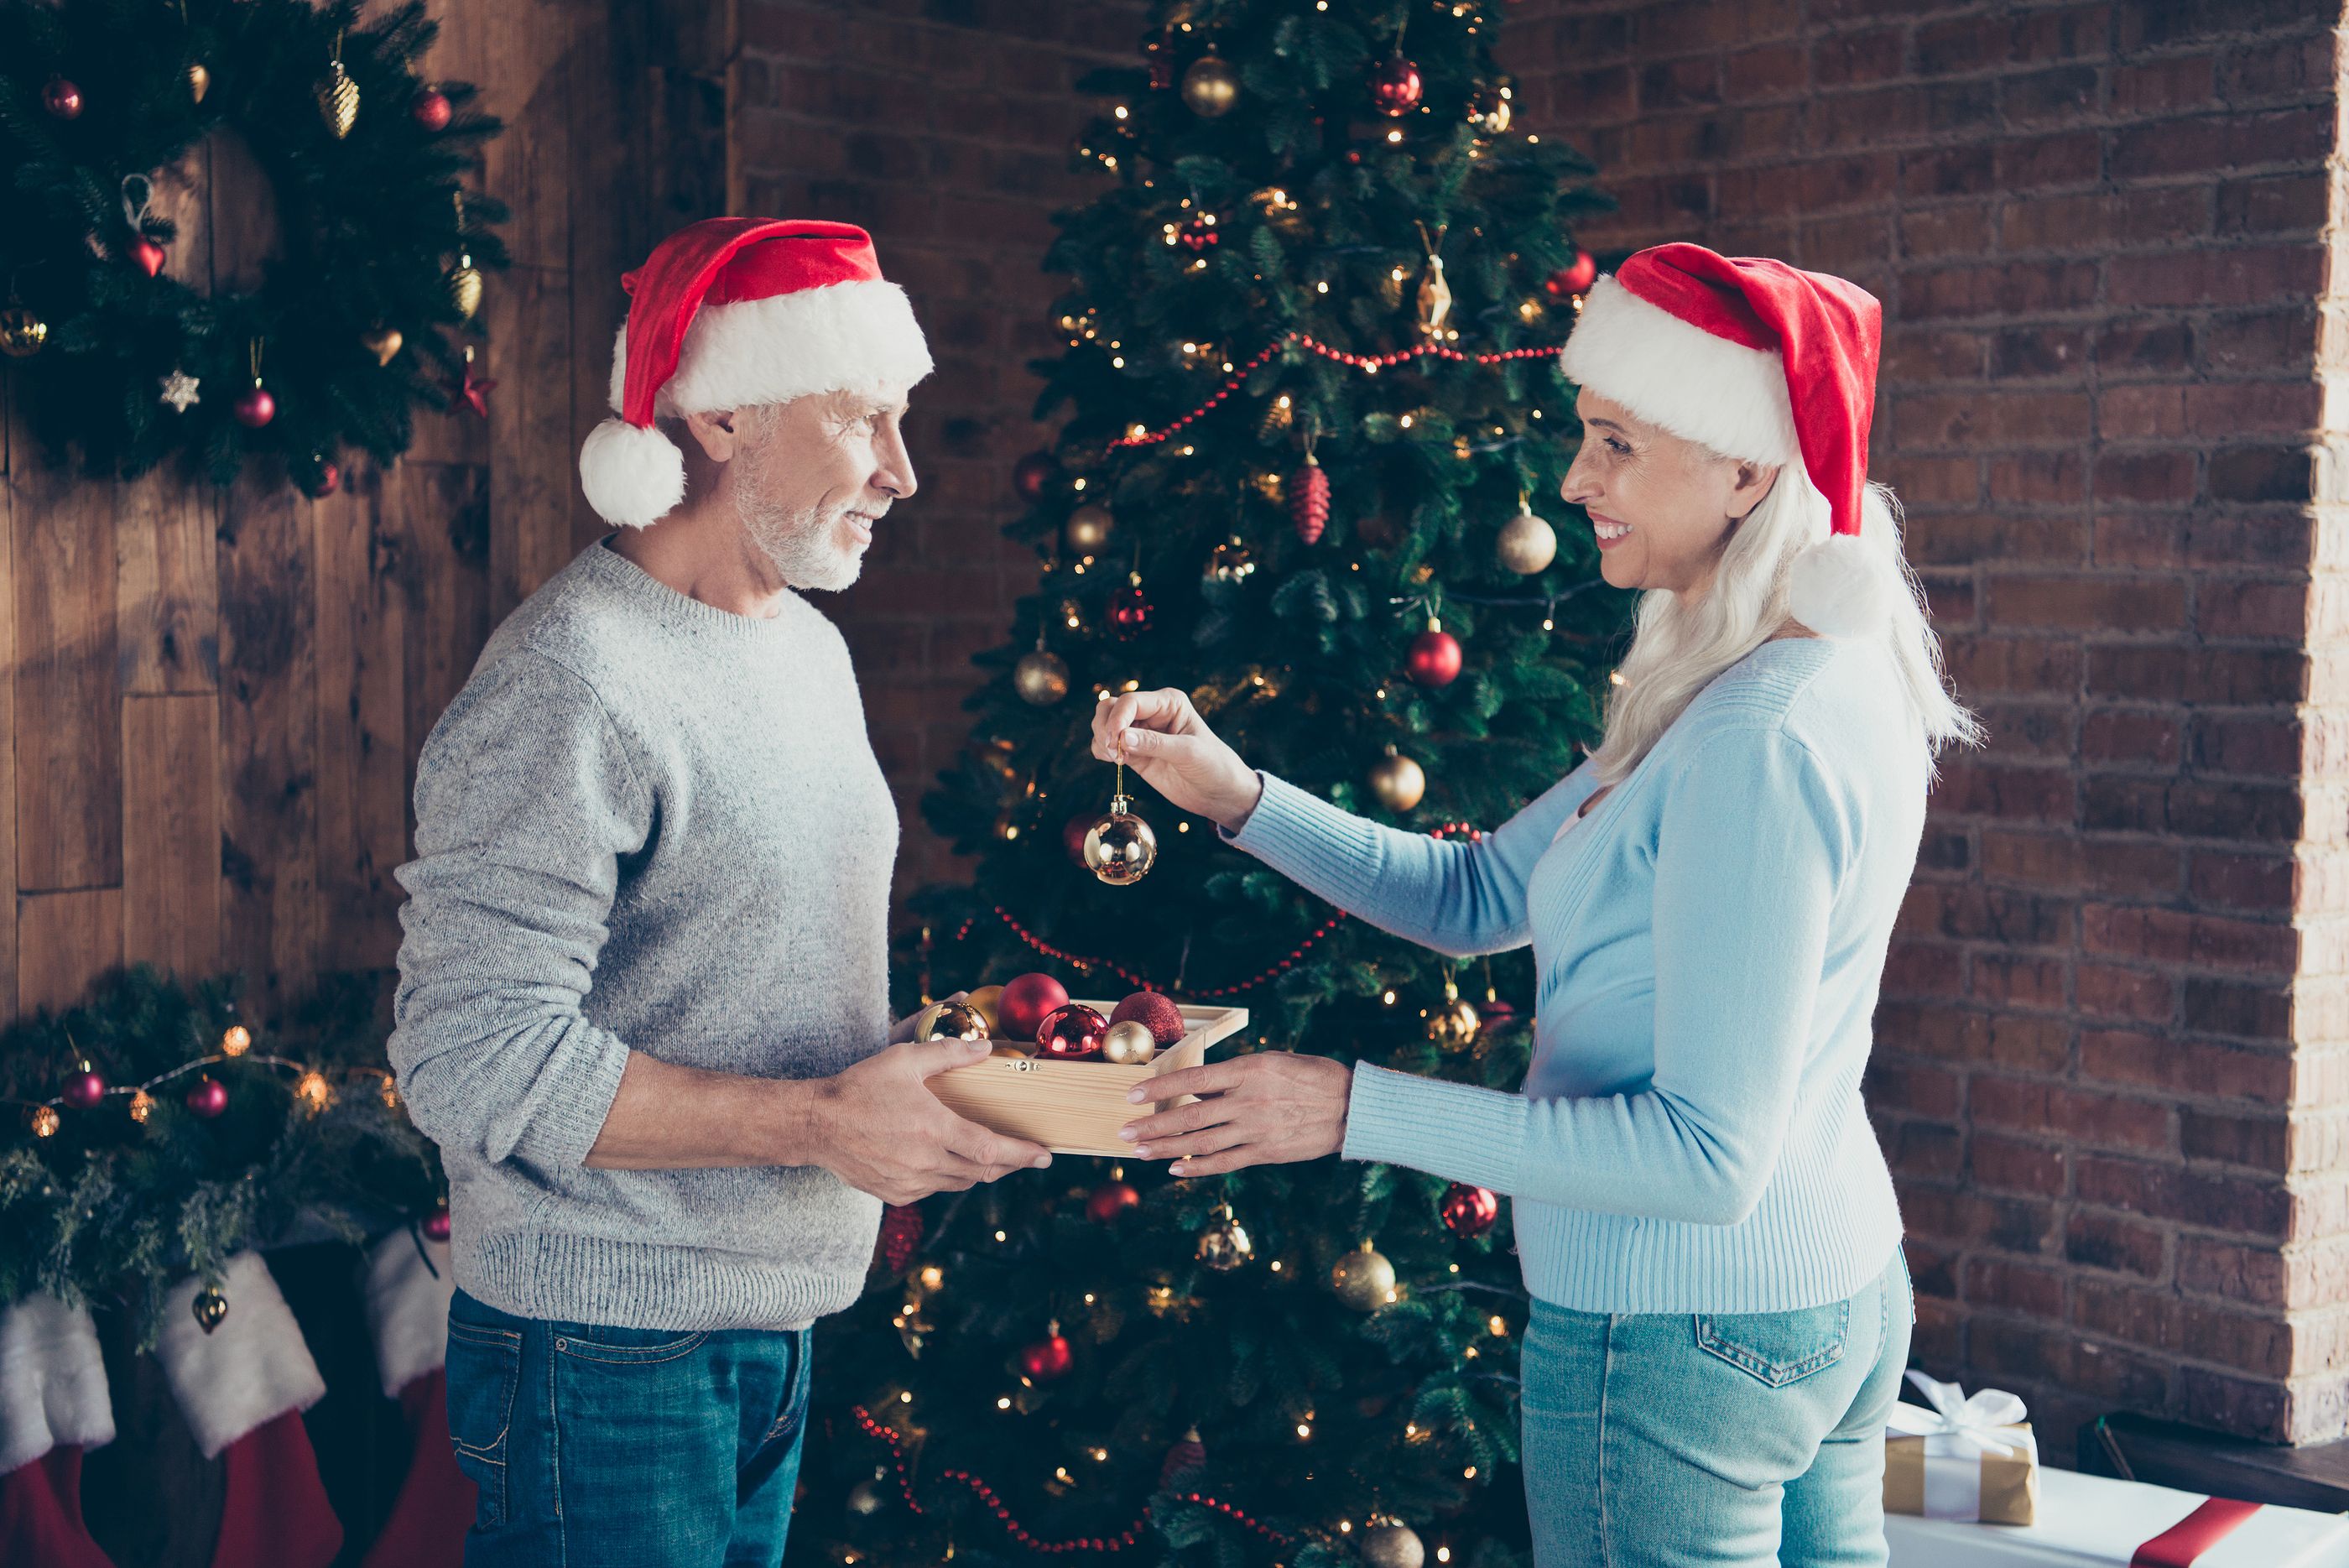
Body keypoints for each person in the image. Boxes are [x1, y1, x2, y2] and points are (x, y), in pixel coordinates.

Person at [1096, 243, 1979, 1566]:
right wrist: (1236, 791)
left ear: (1746, 470)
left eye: (1617, 442)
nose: (1576, 480)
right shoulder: (1769, 684)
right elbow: (1479, 890)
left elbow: (1705, 1159)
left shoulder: (1756, 732)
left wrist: (1347, 1107)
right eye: (1587, 438)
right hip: (1823, 1303)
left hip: (1680, 1338)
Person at [388, 217, 1053, 1568]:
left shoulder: (810, 651)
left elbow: (742, 970)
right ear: (726, 412)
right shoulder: (571, 680)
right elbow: (467, 1057)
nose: (902, 472)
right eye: (866, 418)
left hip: (776, 1324)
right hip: (598, 1352)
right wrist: (821, 1124)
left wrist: (939, 1089)